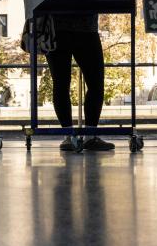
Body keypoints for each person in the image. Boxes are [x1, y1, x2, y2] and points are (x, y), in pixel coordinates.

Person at [44, 11, 114, 151]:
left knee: (61, 83)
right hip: (86, 28)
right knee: (95, 83)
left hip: (56, 28)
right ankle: (89, 135)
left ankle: (69, 136)